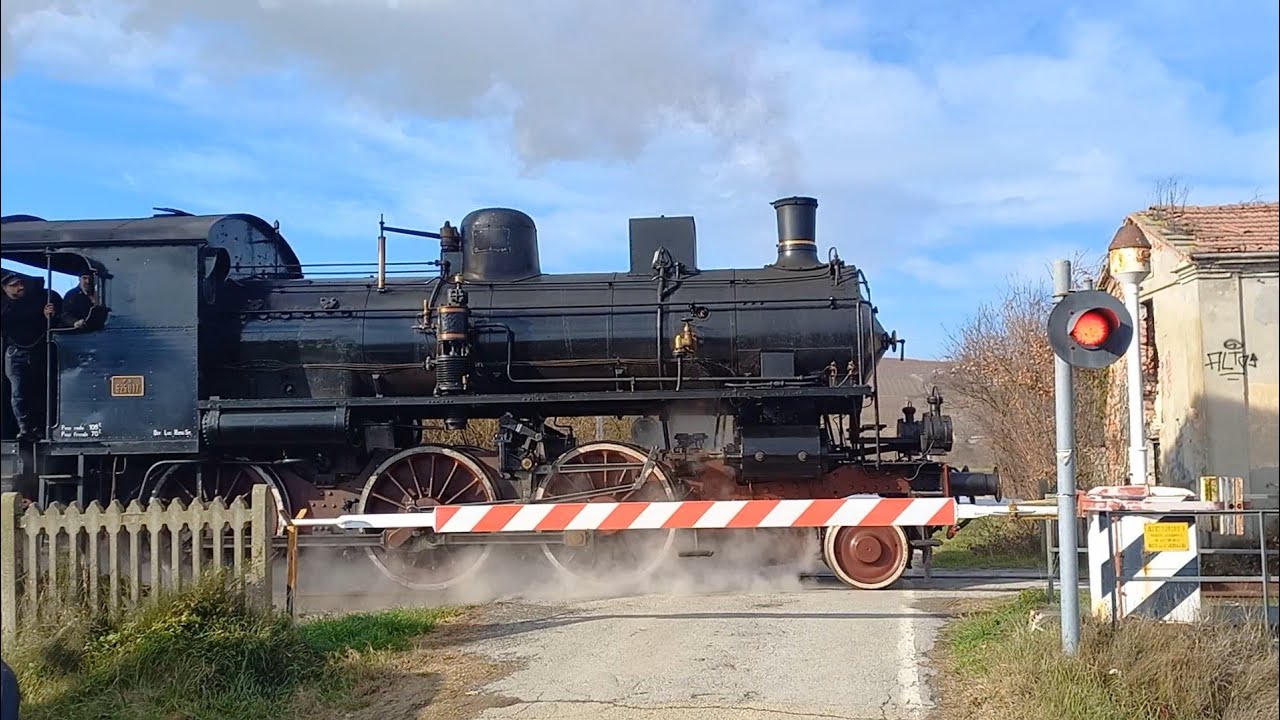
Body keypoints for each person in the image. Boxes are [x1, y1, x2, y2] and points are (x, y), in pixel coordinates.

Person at [1, 272, 59, 441]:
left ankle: (37, 426)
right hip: (15, 353)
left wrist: (50, 315)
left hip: (37, 351)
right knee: (18, 393)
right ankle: (24, 427)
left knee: (38, 391)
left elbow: (49, 324)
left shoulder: (36, 300)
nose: (20, 287)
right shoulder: (4, 306)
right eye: (14, 285)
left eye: (20, 283)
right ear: (4, 288)